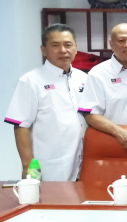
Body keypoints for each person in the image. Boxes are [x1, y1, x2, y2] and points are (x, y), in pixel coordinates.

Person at [4, 24, 87, 181]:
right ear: (43, 50)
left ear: (76, 48)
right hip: (50, 165)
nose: (63, 50)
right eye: (55, 45)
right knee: (50, 196)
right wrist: (27, 166)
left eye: (68, 44)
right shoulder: (31, 81)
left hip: (83, 162)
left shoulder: (84, 78)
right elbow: (21, 125)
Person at [79, 23, 127, 150]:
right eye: (121, 41)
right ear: (111, 44)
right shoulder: (98, 73)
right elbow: (91, 115)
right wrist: (119, 132)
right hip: (116, 141)